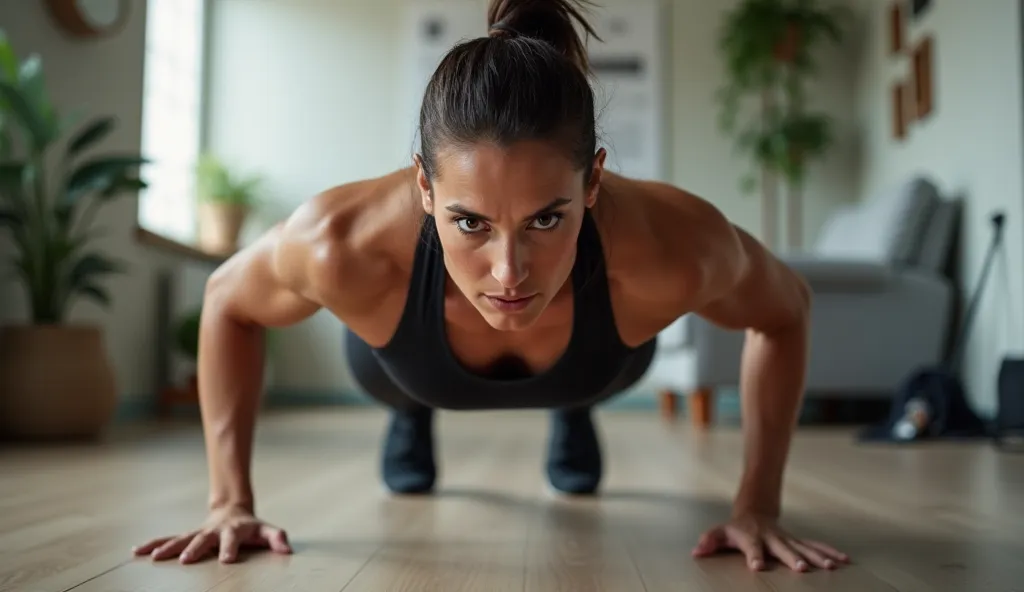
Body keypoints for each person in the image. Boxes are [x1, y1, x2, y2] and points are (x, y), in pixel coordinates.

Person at [131, 0, 850, 574]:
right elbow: (228, 300)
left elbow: (787, 311)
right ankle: (411, 415)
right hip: (404, 368)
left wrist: (758, 505)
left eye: (546, 218)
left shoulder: (673, 246)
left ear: (592, 180)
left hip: (590, 364)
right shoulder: (339, 243)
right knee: (401, 380)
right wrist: (229, 502)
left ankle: (573, 408)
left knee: (583, 376)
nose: (509, 273)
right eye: (469, 221)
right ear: (424, 186)